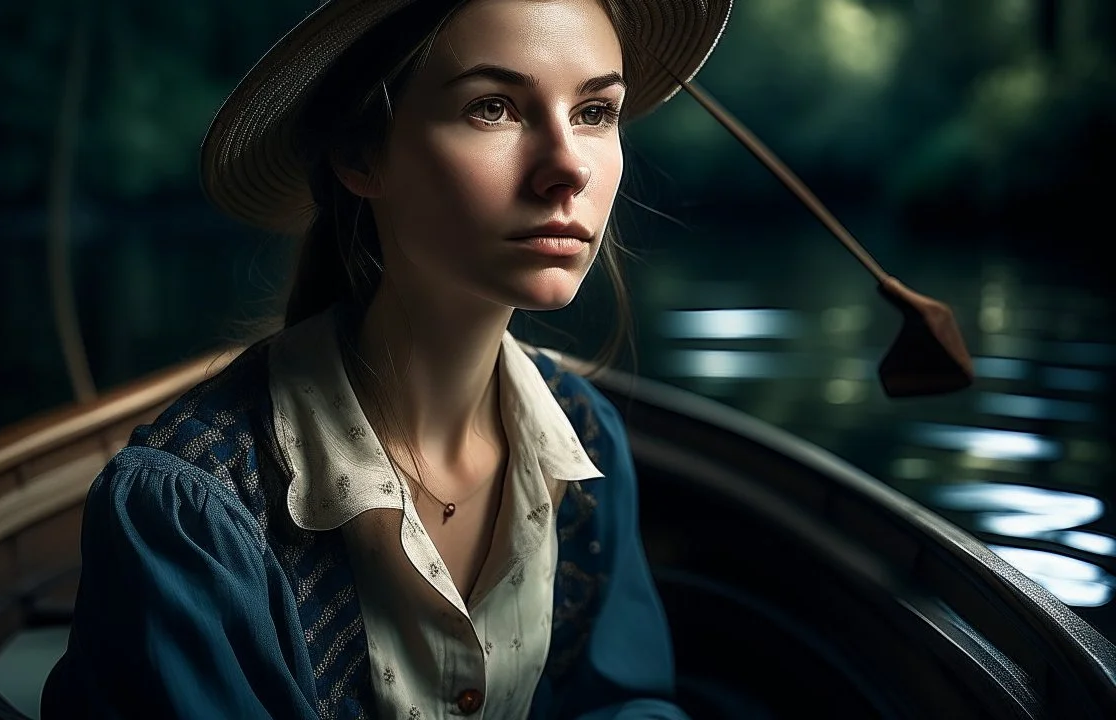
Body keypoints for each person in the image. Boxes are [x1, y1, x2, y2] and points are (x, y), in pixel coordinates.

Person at [41, 0, 731, 717]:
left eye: (595, 112)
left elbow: (622, 704)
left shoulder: (586, 441)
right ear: (362, 154)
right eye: (493, 107)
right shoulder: (195, 514)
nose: (567, 168)